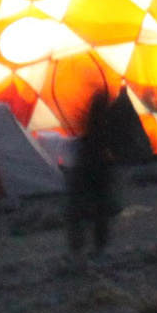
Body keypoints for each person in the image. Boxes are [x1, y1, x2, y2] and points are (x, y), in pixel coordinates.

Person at [65, 87, 136, 259]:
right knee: (98, 210)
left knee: (81, 209)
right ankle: (96, 247)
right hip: (99, 169)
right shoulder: (107, 124)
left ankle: (81, 248)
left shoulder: (90, 126)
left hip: (88, 168)